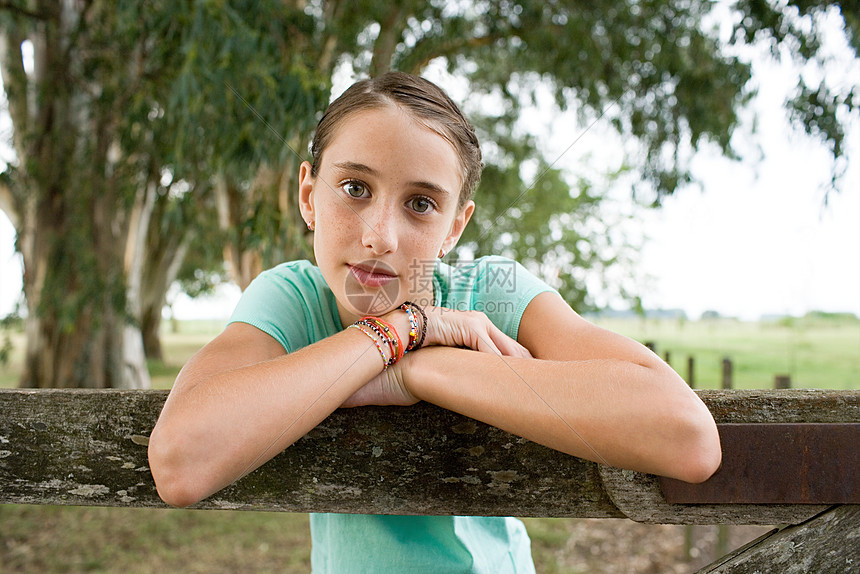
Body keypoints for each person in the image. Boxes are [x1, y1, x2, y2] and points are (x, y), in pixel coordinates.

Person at [148, 71, 721, 573]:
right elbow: (180, 464)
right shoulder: (293, 298)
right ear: (308, 194)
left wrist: (421, 371)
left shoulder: (490, 293)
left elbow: (687, 438)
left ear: (454, 226)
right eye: (354, 188)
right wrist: (392, 335)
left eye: (420, 204)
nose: (380, 236)